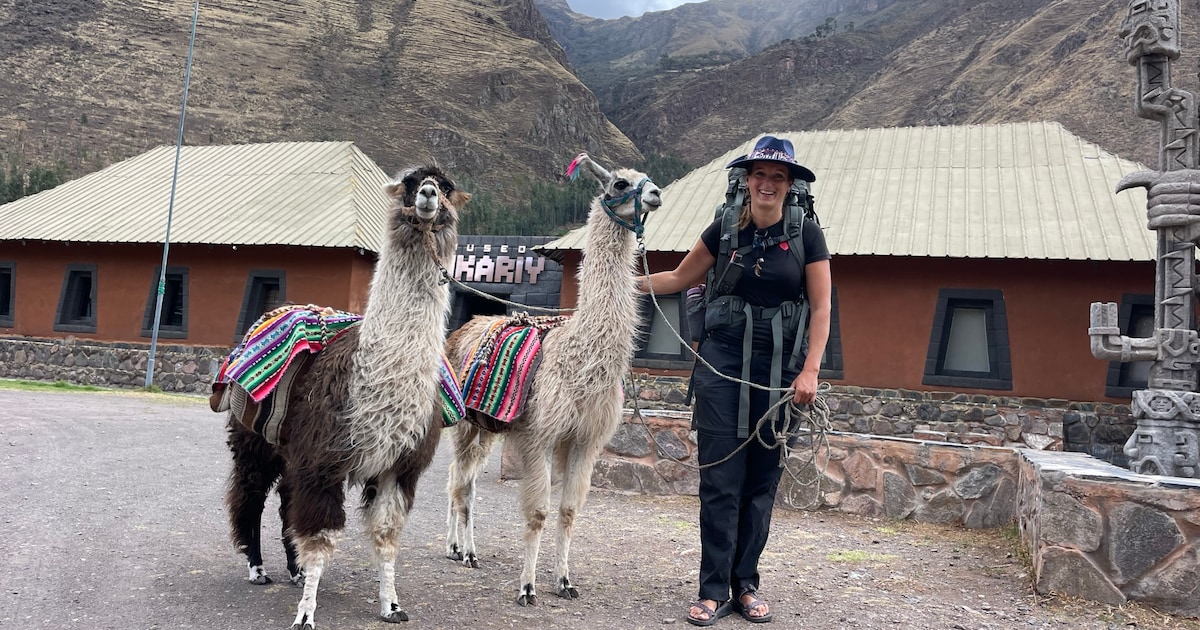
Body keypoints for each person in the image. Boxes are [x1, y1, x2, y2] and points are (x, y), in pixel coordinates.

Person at [637, 135, 832, 626]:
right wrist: (616, 281)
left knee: (761, 481)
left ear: (789, 186)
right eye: (759, 174)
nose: (767, 183)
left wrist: (809, 370)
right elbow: (678, 279)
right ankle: (711, 589)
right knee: (721, 479)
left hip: (779, 372)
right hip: (722, 367)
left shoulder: (807, 235)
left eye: (778, 177)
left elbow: (823, 307)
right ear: (746, 180)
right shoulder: (723, 229)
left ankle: (745, 586)